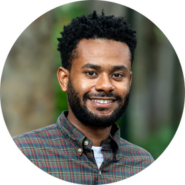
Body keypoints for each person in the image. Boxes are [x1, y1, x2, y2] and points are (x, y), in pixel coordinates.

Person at [10, 10, 155, 184]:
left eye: (117, 75)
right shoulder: (26, 154)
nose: (106, 85)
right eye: (91, 73)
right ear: (64, 79)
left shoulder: (142, 164)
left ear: (129, 81)